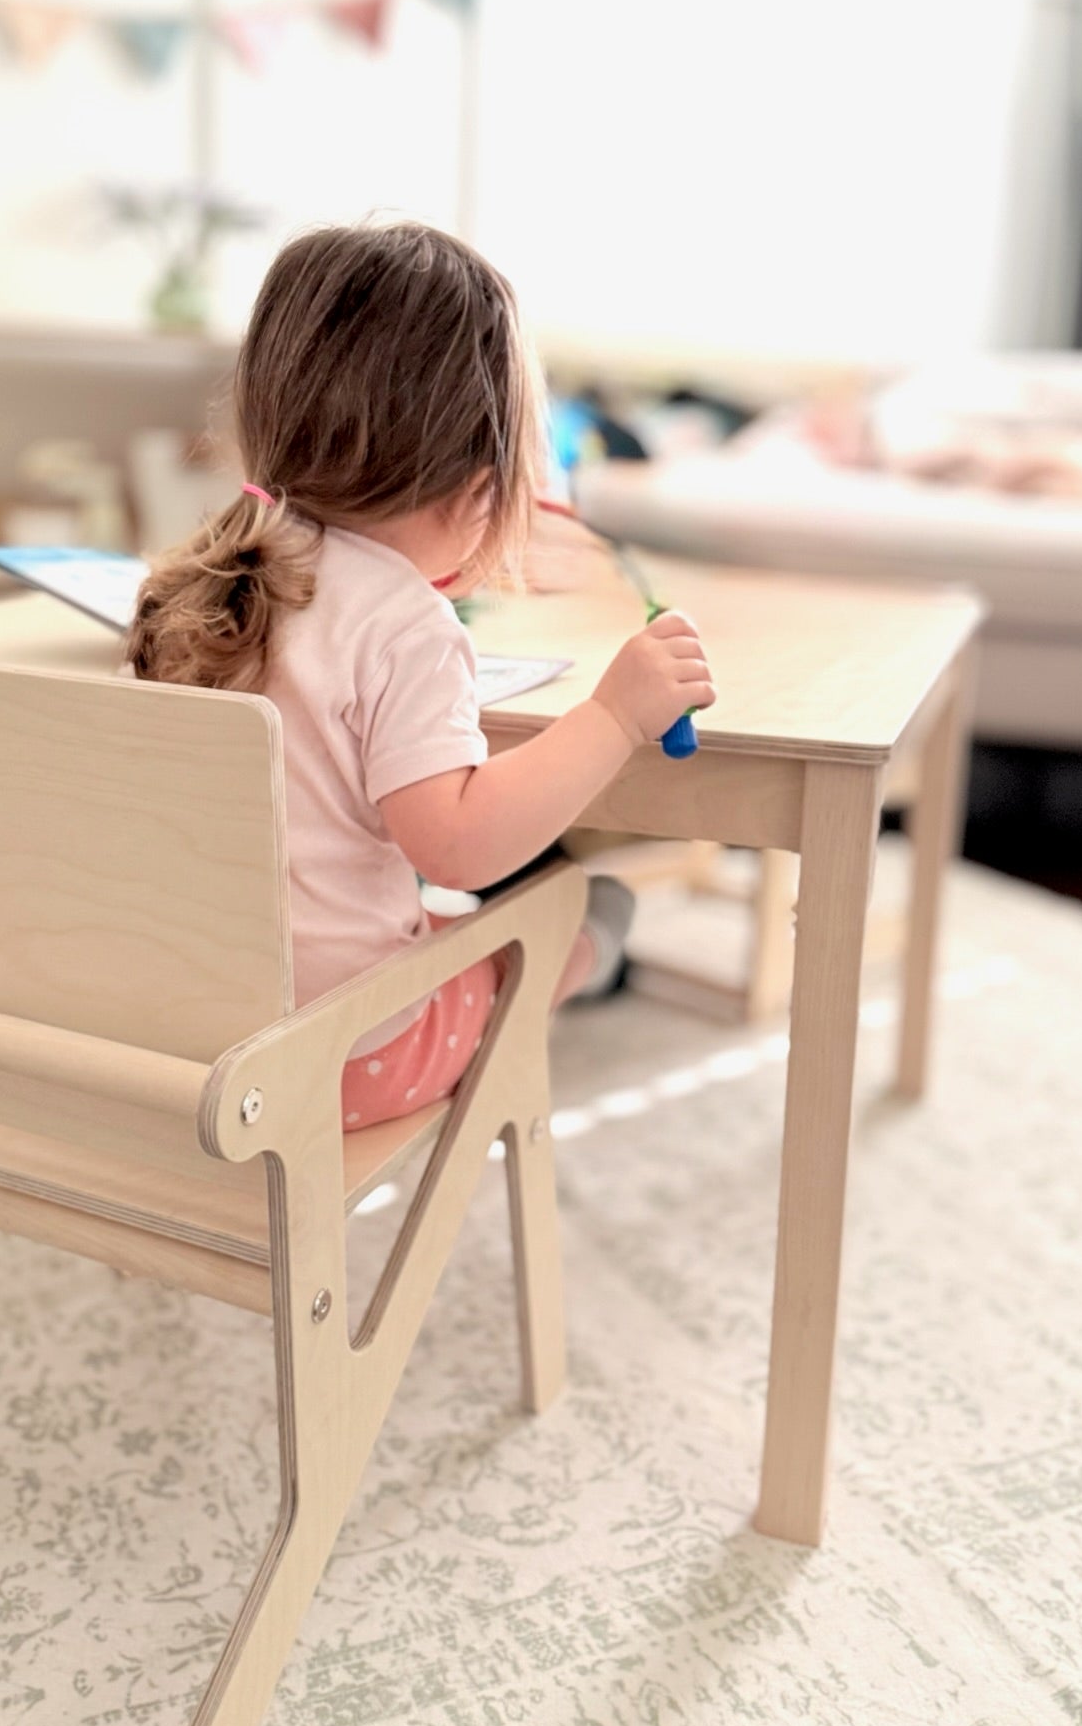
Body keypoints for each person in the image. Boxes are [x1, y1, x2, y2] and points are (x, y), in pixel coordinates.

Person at [127, 221, 715, 1131]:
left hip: (175, 1030)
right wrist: (615, 713)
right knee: (588, 905)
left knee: (439, 920)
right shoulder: (407, 626)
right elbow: (459, 847)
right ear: (481, 487)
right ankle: (591, 962)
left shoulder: (198, 579)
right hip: (332, 1059)